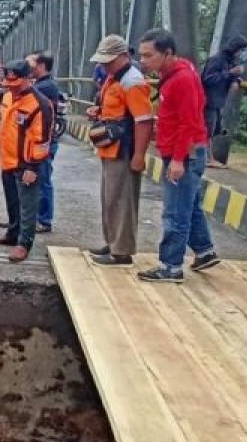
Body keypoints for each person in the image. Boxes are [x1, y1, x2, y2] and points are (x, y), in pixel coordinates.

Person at [136, 28, 220, 282]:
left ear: (167, 53)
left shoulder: (182, 79)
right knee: (190, 205)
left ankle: (170, 266)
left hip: (184, 152)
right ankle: (205, 251)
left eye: (148, 56)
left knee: (175, 212)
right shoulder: (175, 73)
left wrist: (178, 159)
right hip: (183, 148)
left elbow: (188, 122)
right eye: (141, 55)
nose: (142, 61)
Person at [85, 35, 154, 266]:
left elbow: (143, 121)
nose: (104, 65)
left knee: (122, 200)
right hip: (111, 148)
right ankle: (113, 242)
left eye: (109, 60)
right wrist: (99, 111)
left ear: (124, 56)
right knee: (110, 198)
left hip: (124, 151)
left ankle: (122, 251)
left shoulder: (132, 82)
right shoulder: (114, 78)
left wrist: (138, 156)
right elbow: (118, 110)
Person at [0, 60, 53, 263]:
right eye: (8, 84)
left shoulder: (39, 104)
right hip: (8, 159)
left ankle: (25, 243)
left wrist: (33, 167)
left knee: (28, 205)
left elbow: (42, 140)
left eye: (15, 84)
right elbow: (2, 126)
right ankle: (12, 233)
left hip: (26, 162)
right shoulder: (7, 97)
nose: (11, 88)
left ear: (27, 79)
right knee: (12, 201)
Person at [200, 34, 247, 169]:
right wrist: (231, 73)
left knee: (212, 130)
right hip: (207, 100)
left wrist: (236, 79)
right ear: (235, 48)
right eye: (242, 50)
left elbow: (231, 76)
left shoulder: (230, 61)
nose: (242, 53)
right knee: (207, 131)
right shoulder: (217, 60)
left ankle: (208, 158)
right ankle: (207, 159)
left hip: (216, 102)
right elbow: (208, 79)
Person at [28, 52, 63, 234]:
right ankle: (33, 218)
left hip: (44, 142)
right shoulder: (43, 84)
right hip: (40, 141)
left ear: (41, 66)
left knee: (42, 180)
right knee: (36, 180)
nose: (29, 66)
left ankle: (44, 220)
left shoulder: (45, 87)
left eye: (31, 62)